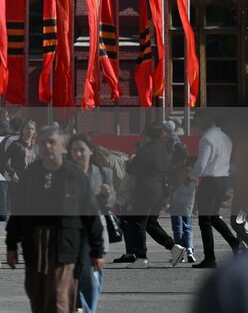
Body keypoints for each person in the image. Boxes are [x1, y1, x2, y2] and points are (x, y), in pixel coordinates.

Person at [5, 125, 104, 313]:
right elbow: (18, 211)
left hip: (64, 248)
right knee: (38, 299)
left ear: (63, 146)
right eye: (43, 143)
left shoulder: (74, 176)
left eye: (52, 142)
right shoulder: (31, 174)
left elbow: (90, 214)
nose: (47, 147)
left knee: (60, 300)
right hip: (35, 247)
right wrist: (11, 245)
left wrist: (96, 250)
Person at [116, 122, 178, 265]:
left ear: (147, 135)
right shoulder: (163, 149)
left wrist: (129, 162)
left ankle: (141, 257)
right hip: (161, 191)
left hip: (146, 191)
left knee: (138, 223)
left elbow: (131, 169)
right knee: (150, 223)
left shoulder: (145, 150)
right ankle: (174, 247)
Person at [69, 133, 115, 312]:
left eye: (81, 150)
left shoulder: (103, 173)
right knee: (73, 275)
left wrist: (106, 195)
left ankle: (88, 309)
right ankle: (82, 308)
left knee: (91, 275)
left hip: (94, 230)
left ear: (91, 151)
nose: (78, 154)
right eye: (74, 151)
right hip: (71, 230)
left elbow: (111, 204)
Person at [192, 112, 240, 268]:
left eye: (199, 119)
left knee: (205, 220)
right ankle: (235, 243)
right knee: (214, 217)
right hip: (223, 180)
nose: (197, 123)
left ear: (209, 120)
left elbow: (201, 164)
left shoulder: (207, 138)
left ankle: (210, 258)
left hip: (210, 182)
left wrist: (189, 177)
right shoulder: (226, 137)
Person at [168, 139, 197, 266]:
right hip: (189, 199)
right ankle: (190, 250)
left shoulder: (173, 168)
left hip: (176, 199)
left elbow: (171, 185)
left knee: (177, 227)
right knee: (188, 226)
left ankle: (180, 253)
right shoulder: (190, 167)